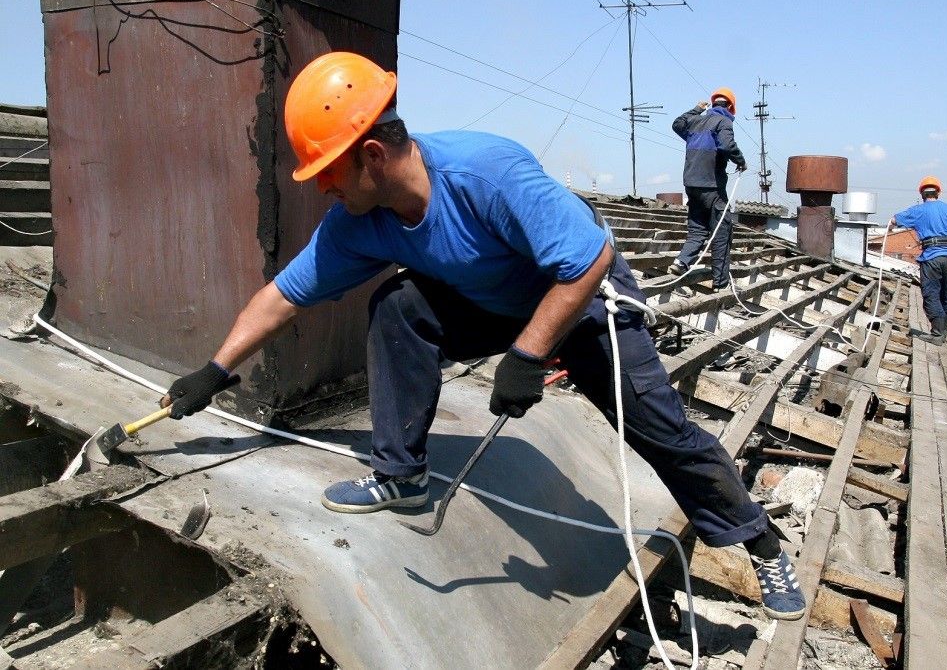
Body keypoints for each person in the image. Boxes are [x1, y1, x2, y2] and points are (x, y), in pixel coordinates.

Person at [158, 52, 806, 620]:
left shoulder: (484, 171)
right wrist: (215, 371)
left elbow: (586, 262)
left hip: (582, 299)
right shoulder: (358, 222)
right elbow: (282, 297)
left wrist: (528, 355)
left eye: (329, 170)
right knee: (399, 304)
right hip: (496, 304)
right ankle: (400, 476)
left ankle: (758, 541)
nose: (324, 186)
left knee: (662, 432)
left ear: (373, 156)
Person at [667, 87, 747, 289]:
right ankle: (720, 283)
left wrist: (695, 109)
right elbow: (727, 146)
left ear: (712, 104)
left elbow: (677, 124)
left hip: (691, 185)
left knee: (698, 229)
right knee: (722, 230)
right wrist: (741, 161)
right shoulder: (723, 121)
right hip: (711, 186)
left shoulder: (695, 121)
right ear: (730, 107)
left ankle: (681, 262)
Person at [887, 176, 947, 344]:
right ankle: (943, 332)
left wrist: (890, 224)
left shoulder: (918, 211)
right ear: (938, 192)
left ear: (922, 194)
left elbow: (894, 220)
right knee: (945, 295)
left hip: (931, 258)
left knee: (931, 294)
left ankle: (937, 334)